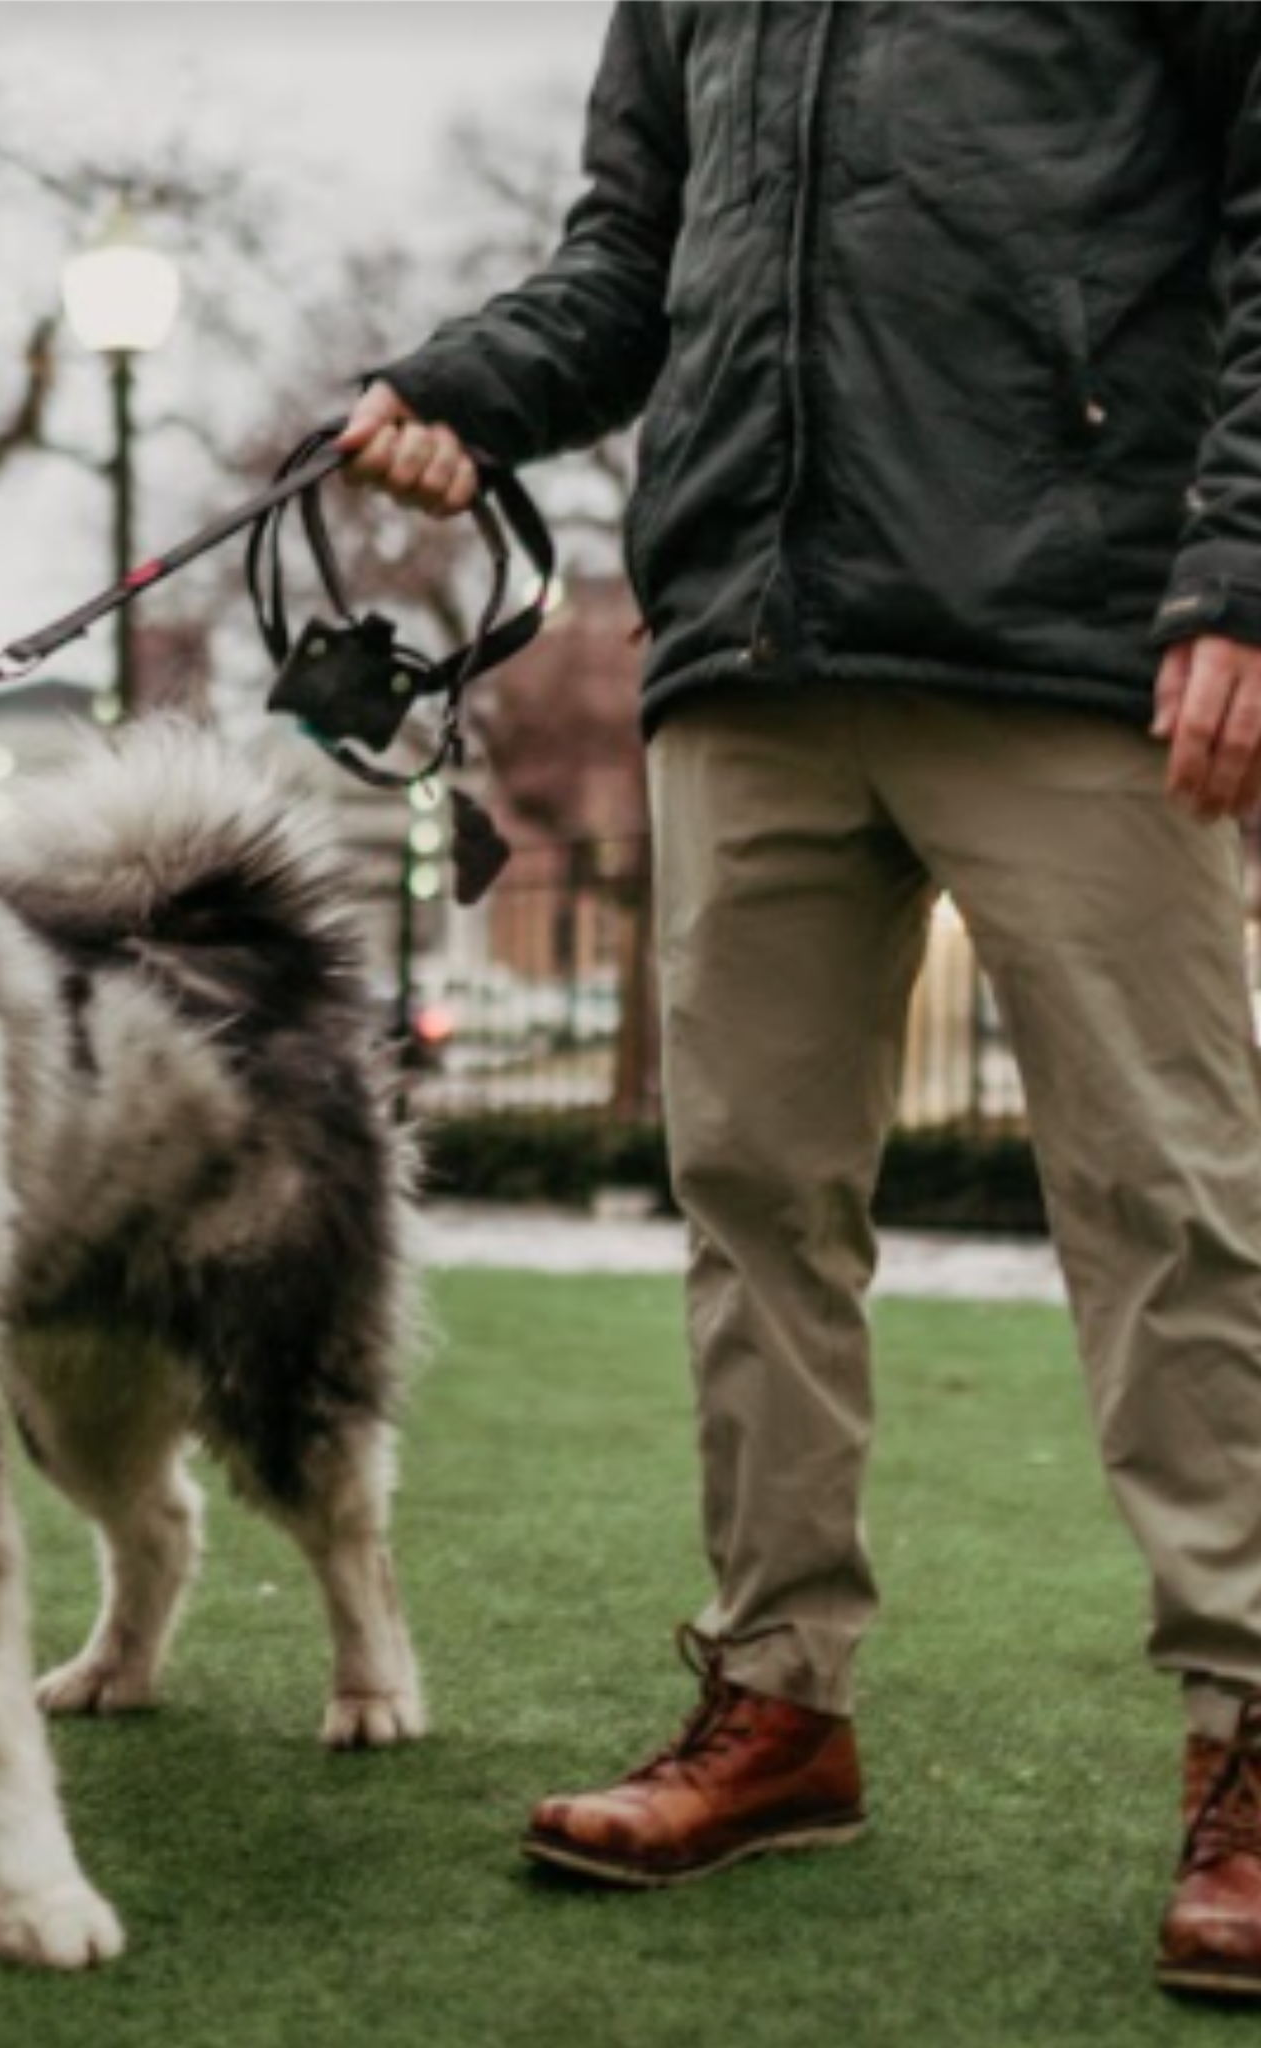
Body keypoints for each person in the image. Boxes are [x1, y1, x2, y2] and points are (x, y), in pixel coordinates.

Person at [341, 3, 1261, 1999]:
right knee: (750, 1195)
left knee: (1170, 1201)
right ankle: (777, 1705)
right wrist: (456, 383)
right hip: (746, 652)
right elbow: (626, 266)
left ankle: (1249, 1731)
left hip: (1081, 640)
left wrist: (1243, 572)